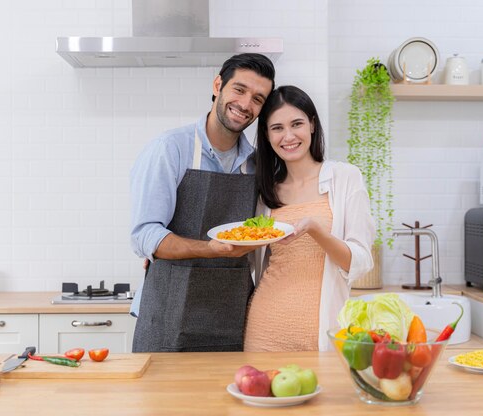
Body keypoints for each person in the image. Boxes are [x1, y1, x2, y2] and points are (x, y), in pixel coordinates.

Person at [130, 53, 276, 352]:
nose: (246, 104)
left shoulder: (257, 163)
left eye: (258, 99)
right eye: (239, 89)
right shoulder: (170, 149)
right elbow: (144, 234)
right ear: (217, 84)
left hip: (231, 312)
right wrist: (209, 249)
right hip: (167, 310)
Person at [244, 85, 375, 352]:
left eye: (296, 124)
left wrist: (316, 230)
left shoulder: (345, 178)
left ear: (312, 125)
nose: (288, 136)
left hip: (322, 333)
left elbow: (360, 261)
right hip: (264, 329)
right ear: (267, 135)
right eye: (277, 128)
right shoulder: (265, 192)